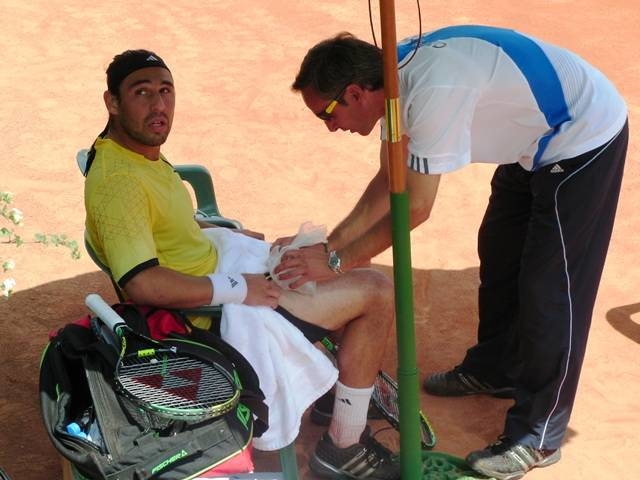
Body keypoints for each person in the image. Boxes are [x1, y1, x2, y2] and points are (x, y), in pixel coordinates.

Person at [278, 25, 629, 480]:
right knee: (498, 255)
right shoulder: (390, 84)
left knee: (551, 287)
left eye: (327, 113)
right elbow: (390, 181)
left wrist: (337, 263)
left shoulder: (431, 90)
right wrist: (331, 247)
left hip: (580, 135)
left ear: (355, 93)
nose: (330, 127)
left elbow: (415, 207)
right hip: (529, 142)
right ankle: (497, 367)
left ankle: (539, 433)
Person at [83, 49, 401, 480]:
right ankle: (342, 447)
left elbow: (159, 223)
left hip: (221, 269)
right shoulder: (120, 182)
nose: (158, 105)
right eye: (142, 93)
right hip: (209, 312)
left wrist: (216, 230)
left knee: (326, 262)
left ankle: (335, 392)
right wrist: (240, 288)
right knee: (376, 290)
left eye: (165, 91)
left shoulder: (128, 150)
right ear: (113, 102)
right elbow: (143, 283)